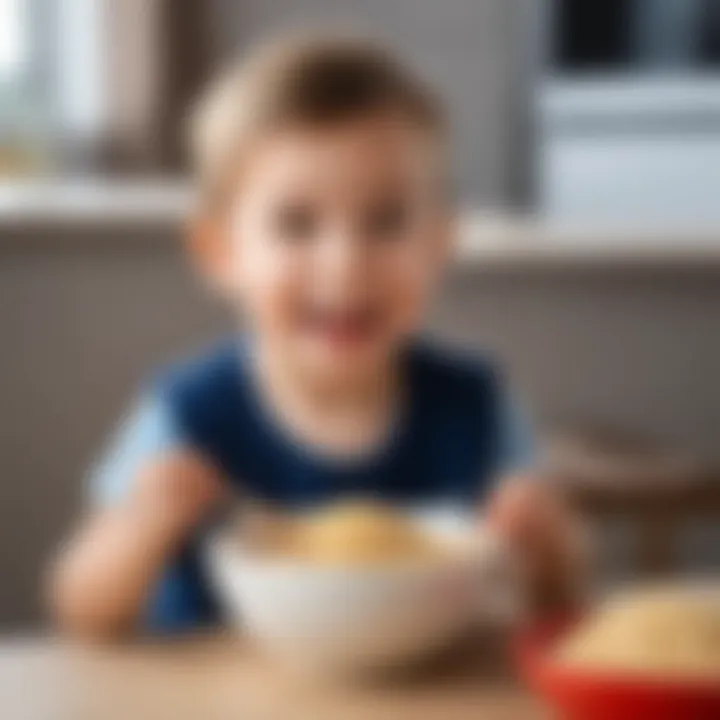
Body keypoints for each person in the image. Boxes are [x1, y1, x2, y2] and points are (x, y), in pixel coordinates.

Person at [49, 35, 586, 639]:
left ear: (439, 245)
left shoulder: (478, 404)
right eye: (297, 225)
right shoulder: (186, 414)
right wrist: (142, 528)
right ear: (221, 253)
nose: (345, 263)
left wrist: (546, 548)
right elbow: (81, 609)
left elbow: (559, 603)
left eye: (386, 221)